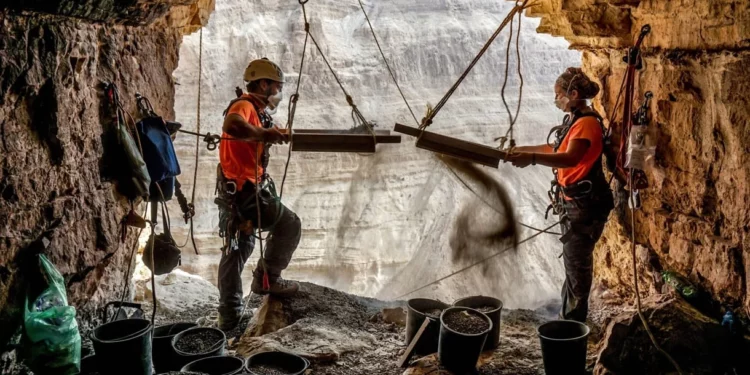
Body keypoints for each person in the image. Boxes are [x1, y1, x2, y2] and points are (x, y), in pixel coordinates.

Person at [505, 67, 614, 322]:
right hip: (576, 201)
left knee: (577, 264)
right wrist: (520, 150)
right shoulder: (575, 121)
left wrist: (531, 159)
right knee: (573, 262)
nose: (556, 100)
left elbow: (569, 158)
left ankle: (573, 326)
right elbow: (555, 147)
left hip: (585, 205)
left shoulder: (587, 123)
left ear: (573, 93)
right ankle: (570, 317)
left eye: (559, 94)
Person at [215, 58, 302, 330]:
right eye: (275, 87)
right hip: (244, 192)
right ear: (263, 84)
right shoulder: (244, 106)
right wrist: (265, 134)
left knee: (239, 248)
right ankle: (268, 277)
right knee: (289, 224)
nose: (277, 93)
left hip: (241, 190)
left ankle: (229, 315)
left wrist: (269, 134)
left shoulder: (256, 109)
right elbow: (233, 125)